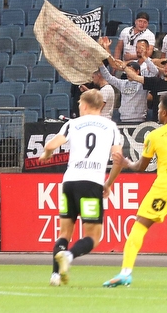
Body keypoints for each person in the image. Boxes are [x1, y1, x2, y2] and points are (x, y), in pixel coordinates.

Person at [104, 93, 167, 289]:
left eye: (159, 108)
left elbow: (141, 167)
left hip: (165, 186)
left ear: (165, 113)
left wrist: (127, 163)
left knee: (140, 226)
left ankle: (126, 272)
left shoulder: (155, 135)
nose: (158, 111)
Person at [41, 89, 124, 286]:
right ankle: (68, 257)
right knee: (94, 236)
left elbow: (52, 144)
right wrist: (109, 183)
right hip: (91, 184)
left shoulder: (73, 124)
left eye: (79, 104)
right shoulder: (111, 127)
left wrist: (46, 155)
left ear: (85, 105)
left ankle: (55, 276)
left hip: (69, 182)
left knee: (64, 233)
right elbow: (118, 159)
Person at [98, 49, 152, 124]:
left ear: (137, 72)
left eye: (130, 71)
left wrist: (145, 58)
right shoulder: (122, 83)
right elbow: (108, 77)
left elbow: (154, 72)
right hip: (123, 119)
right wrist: (100, 64)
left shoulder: (143, 84)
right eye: (127, 71)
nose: (128, 74)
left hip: (139, 121)